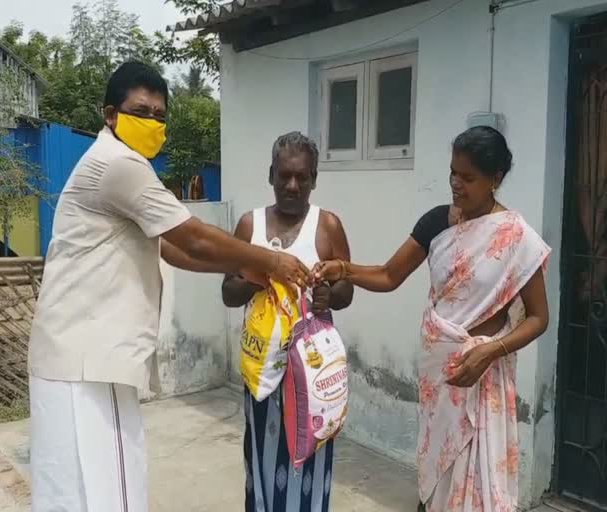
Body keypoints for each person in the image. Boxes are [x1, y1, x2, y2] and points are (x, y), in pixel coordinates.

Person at [28, 62, 310, 512]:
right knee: (108, 493)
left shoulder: (121, 167)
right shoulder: (117, 165)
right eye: (141, 111)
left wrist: (251, 272)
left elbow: (173, 249)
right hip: (89, 363)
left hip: (73, 357)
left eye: (160, 115)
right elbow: (193, 236)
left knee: (73, 492)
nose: (153, 123)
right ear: (110, 114)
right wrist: (273, 261)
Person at [314, 126, 550, 512]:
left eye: (468, 177)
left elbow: (539, 318)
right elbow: (389, 275)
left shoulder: (517, 237)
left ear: (496, 179)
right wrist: (343, 268)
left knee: (479, 487)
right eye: (452, 173)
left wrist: (491, 351)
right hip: (441, 376)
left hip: (483, 375)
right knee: (437, 477)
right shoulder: (436, 223)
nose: (456, 184)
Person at [221, 132, 355, 512]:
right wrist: (260, 273)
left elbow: (347, 289)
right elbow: (228, 293)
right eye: (284, 176)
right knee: (262, 458)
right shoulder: (251, 226)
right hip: (263, 369)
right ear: (271, 175)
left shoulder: (327, 225)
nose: (292, 186)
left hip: (312, 374)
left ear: (314, 178)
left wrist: (330, 294)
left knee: (310, 460)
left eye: (302, 177)